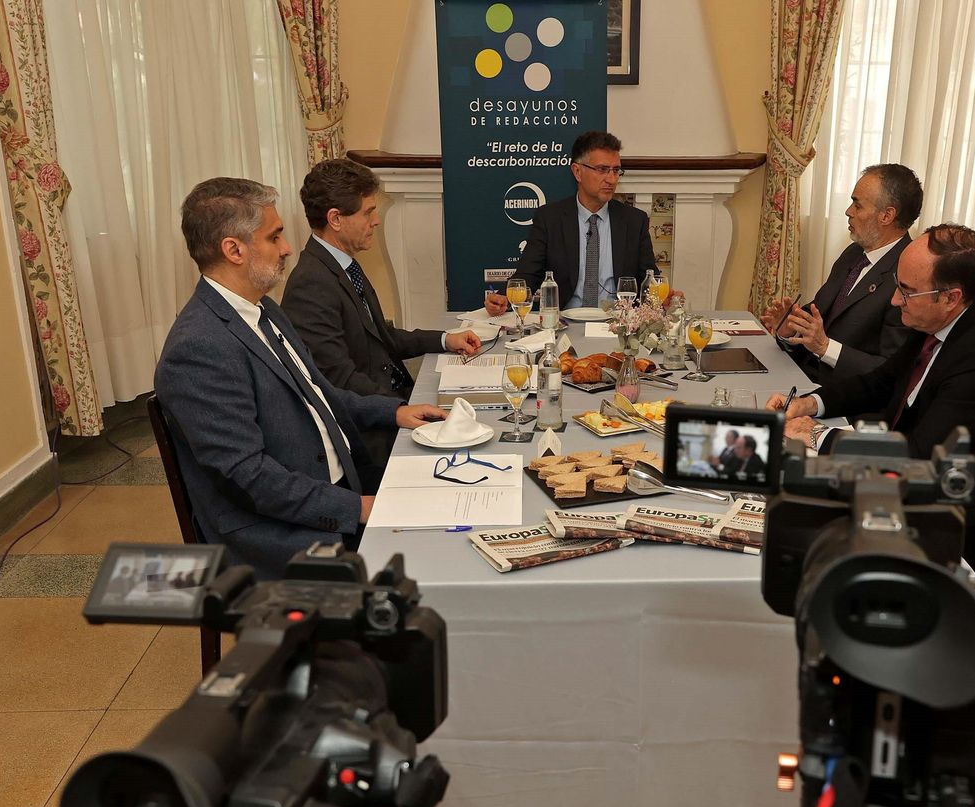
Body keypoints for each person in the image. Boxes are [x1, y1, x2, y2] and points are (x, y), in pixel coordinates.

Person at [154, 177, 446, 580]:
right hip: (276, 535)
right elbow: (248, 476)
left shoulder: (265, 311)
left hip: (328, 491)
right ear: (234, 250)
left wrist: (395, 412)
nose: (288, 248)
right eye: (274, 237)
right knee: (435, 564)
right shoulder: (199, 348)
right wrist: (358, 508)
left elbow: (321, 396)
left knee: (449, 509)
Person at [769, 224, 975, 598]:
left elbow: (916, 458)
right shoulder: (937, 321)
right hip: (909, 494)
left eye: (907, 291)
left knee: (794, 540)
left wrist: (815, 435)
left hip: (957, 531)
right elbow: (879, 382)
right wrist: (809, 404)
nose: (895, 301)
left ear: (951, 297)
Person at [281, 159, 479, 463]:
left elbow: (381, 335)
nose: (376, 221)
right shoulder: (310, 285)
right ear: (335, 219)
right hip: (369, 433)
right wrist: (403, 406)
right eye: (368, 212)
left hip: (393, 400)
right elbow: (339, 379)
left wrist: (444, 339)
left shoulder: (342, 264)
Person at [760, 164, 921, 380]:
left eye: (857, 205)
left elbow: (891, 371)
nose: (848, 211)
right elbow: (820, 316)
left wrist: (825, 348)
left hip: (846, 400)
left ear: (887, 215)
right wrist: (790, 328)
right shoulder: (854, 253)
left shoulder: (908, 276)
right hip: (800, 378)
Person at [485, 131, 668, 314]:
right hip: (564, 322)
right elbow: (528, 274)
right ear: (578, 171)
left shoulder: (634, 221)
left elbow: (649, 278)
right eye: (602, 169)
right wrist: (503, 299)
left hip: (617, 325)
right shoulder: (550, 219)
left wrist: (663, 296)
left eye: (616, 170)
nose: (612, 179)